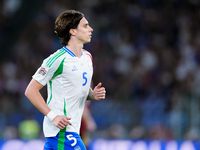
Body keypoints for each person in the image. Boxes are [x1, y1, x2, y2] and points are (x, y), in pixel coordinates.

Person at [25, 10, 106, 150]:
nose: (91, 29)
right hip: (62, 131)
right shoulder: (57, 59)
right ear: (73, 31)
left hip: (73, 129)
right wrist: (53, 116)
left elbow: (73, 91)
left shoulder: (88, 57)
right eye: (85, 26)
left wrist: (92, 95)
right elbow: (31, 91)